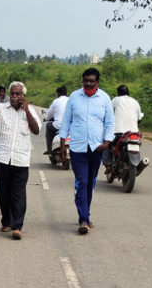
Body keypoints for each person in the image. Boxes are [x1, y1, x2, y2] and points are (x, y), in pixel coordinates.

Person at [59, 68, 114, 235]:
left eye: (92, 81)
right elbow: (66, 121)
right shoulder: (74, 97)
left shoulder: (104, 98)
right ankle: (83, 218)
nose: (88, 83)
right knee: (82, 181)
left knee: (90, 183)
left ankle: (85, 214)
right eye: (86, 80)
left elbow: (110, 123)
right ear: (82, 81)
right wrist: (62, 144)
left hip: (96, 148)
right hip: (78, 148)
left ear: (97, 82)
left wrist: (106, 143)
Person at [0, 81, 41, 240]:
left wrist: (27, 110)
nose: (14, 97)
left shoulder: (30, 111)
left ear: (23, 96)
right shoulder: (1, 109)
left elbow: (36, 130)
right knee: (3, 192)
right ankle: (6, 221)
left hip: (21, 160)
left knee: (18, 194)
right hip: (2, 158)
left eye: (18, 94)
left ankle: (17, 226)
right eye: (13, 94)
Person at [102, 85, 144, 173]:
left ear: (118, 93)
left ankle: (108, 164)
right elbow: (139, 117)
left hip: (118, 132)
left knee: (106, 143)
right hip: (134, 133)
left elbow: (108, 112)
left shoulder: (116, 100)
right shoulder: (135, 102)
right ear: (128, 92)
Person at [44, 86, 68, 155]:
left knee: (48, 126)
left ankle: (49, 149)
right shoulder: (70, 100)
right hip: (70, 126)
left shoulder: (56, 101)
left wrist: (46, 119)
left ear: (58, 94)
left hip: (58, 126)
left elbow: (49, 114)